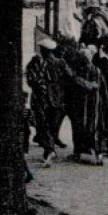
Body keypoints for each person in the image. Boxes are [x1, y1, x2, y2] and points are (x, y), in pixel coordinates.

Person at [58, 39, 105, 165]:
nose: (83, 60)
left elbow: (94, 85)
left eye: (84, 57)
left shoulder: (94, 71)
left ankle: (91, 153)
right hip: (80, 105)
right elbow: (78, 81)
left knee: (89, 128)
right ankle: (81, 153)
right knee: (80, 127)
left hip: (90, 105)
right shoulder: (83, 70)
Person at [25, 34, 63, 165]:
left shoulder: (51, 63)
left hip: (48, 99)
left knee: (47, 125)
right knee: (45, 125)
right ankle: (49, 150)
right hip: (46, 99)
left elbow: (32, 81)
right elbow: (31, 81)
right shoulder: (36, 63)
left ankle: (49, 150)